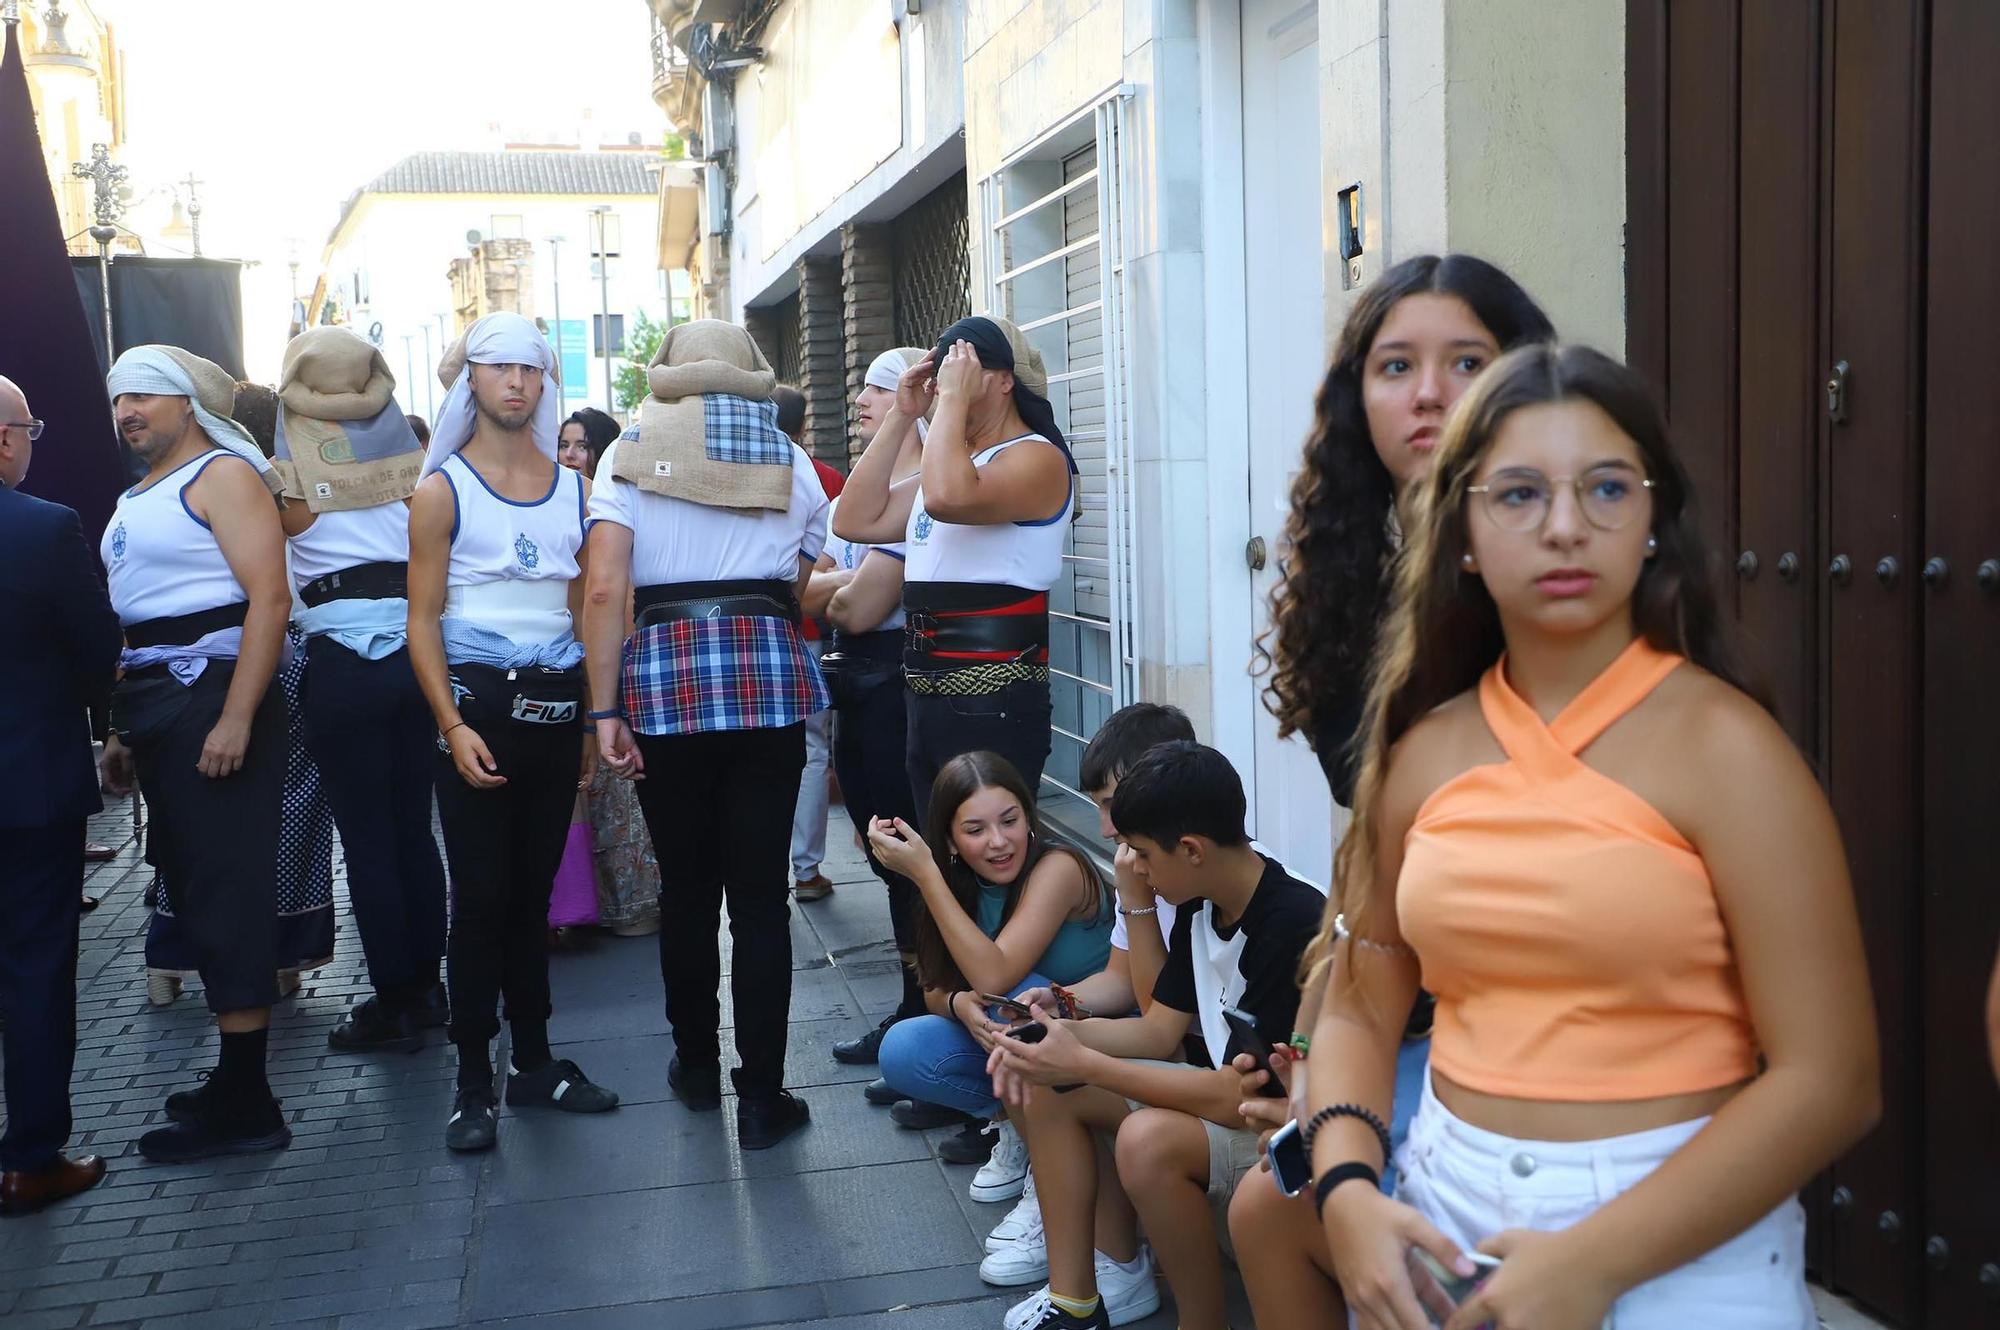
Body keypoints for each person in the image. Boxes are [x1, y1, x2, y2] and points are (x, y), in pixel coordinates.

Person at [1302, 344, 1877, 1330]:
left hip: (1681, 1247)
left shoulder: (1728, 750)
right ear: (1464, 535)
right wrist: (1346, 1187)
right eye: (1517, 494)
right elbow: (1360, 999)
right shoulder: (1419, 752)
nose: (1565, 526)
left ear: (1652, 519)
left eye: (1606, 487)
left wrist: (1594, 1263)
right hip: (1442, 1225)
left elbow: (1831, 1078)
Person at [1229, 254, 1556, 1329]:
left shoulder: (1561, 578)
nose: (1427, 392)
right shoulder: (1348, 591)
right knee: (1271, 1206)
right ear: (1353, 399)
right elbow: (1370, 841)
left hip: (1542, 1012)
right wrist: (1321, 1021)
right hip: (1403, 990)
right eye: (1395, 365)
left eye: (1466, 361)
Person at [582, 319, 827, 1150]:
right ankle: (762, 1096)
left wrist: (605, 709)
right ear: (752, 372)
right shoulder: (787, 458)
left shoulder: (630, 454)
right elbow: (800, 575)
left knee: (687, 892)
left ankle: (694, 1066)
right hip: (763, 670)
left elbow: (606, 592)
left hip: (661, 677)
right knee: (760, 896)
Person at [985, 742, 1325, 1330]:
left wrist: (1086, 1062)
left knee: (1144, 1140)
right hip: (1225, 1098)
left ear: (1190, 850)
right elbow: (1158, 1027)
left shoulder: (1291, 922)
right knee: (1046, 1081)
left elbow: (1243, 1101)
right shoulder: (1203, 901)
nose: (1133, 868)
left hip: (1278, 1128)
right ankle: (1076, 1301)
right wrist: (1052, 1034)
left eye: (1140, 853)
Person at [407, 313, 620, 1153]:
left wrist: (585, 731)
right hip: (475, 709)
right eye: (498, 369)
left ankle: (533, 1061)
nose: (516, 384)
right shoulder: (440, 490)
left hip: (553, 711)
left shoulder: (578, 492)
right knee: (481, 898)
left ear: (545, 383)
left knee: (531, 900)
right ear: (473, 382)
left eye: (530, 371)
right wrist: (451, 723)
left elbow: (580, 613)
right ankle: (470, 1079)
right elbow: (422, 620)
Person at [96, 345, 294, 1163]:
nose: (129, 409)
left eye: (145, 393)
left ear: (186, 402)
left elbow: (270, 598)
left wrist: (237, 716)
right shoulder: (136, 496)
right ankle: (236, 1079)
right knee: (193, 888)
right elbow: (137, 625)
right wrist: (120, 729)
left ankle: (249, 1101)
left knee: (224, 893)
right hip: (159, 701)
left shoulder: (221, 477)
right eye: (118, 399)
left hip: (211, 694)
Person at [972, 701, 1201, 1282]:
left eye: (1109, 804)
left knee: (1055, 1073)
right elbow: (1120, 981)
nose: (1103, 827)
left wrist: (1141, 902)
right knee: (1031, 1049)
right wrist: (1063, 1000)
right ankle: (1067, 1231)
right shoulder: (1144, 867)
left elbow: (1156, 1020)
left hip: (1200, 1063)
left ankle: (1112, 1262)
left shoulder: (1180, 876)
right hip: (1172, 1049)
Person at [268, 329, 447, 1052]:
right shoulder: (415, 459)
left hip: (339, 661)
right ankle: (430, 989)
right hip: (414, 648)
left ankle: (394, 999)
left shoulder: (284, 475)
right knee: (415, 830)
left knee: (366, 840)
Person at [144, 379, 338, 1007]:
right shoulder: (260, 483)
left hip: (187, 672)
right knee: (286, 817)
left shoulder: (186, 482)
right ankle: (278, 959)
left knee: (188, 829)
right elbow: (282, 581)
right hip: (266, 662)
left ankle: (169, 960)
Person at [833, 316, 1076, 810]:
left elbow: (946, 497)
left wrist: (949, 402)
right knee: (938, 852)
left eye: (961, 366)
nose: (945, 379)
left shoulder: (1037, 458)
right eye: (942, 368)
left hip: (995, 696)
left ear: (1005, 380)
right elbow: (854, 518)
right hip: (925, 691)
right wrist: (903, 414)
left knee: (989, 857)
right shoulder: (953, 466)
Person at [0, 376, 120, 1213]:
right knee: (36, 967)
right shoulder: (44, 529)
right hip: (28, 786)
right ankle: (30, 1156)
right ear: (6, 440)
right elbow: (95, 646)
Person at [870, 753, 1111, 1166]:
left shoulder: (1060, 867)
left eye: (1009, 820)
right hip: (1021, 1038)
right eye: (975, 830)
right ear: (950, 840)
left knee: (1015, 996)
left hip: (1097, 1035)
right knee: (902, 1049)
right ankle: (1020, 1129)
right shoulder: (958, 884)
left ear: (1029, 818)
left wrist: (925, 874)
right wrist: (957, 1004)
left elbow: (995, 977)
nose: (998, 841)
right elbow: (933, 986)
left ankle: (1054, 1157)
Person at [813, 348, 930, 1081]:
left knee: (904, 852)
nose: (861, 401)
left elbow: (854, 606)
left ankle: (924, 1007)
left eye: (878, 390)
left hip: (895, 689)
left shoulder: (925, 488)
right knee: (878, 849)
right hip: (853, 692)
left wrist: (839, 582)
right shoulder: (859, 493)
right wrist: (841, 582)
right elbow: (809, 586)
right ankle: (913, 1004)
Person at [553, 405, 659, 937]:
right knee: (580, 784)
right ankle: (580, 905)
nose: (571, 455)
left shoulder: (607, 500)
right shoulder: (550, 500)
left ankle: (631, 904)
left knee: (614, 786)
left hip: (604, 652)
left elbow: (612, 593)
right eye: (564, 445)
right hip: (559, 658)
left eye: (581, 445)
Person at [773, 382, 846, 903]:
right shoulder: (827, 479)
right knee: (812, 749)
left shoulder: (738, 472)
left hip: (756, 638)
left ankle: (759, 866)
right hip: (813, 634)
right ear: (803, 426)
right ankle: (806, 869)